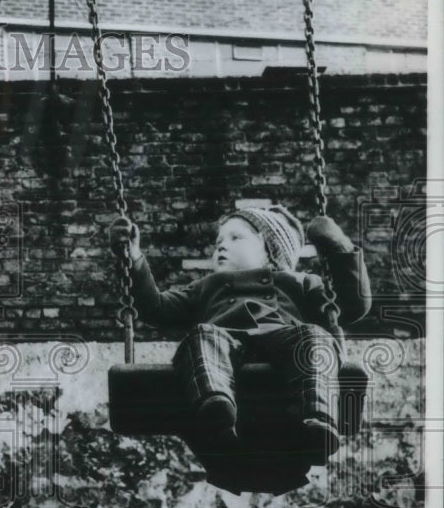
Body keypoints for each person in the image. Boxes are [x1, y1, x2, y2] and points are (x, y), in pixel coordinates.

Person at [110, 205, 371, 478]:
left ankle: (317, 417)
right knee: (203, 335)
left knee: (314, 338)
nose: (221, 247)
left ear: (271, 251)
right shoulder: (205, 288)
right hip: (224, 350)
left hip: (285, 348)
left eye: (236, 238)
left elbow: (352, 305)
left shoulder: (302, 282)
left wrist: (337, 246)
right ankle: (216, 406)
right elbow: (156, 308)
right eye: (218, 243)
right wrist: (133, 258)